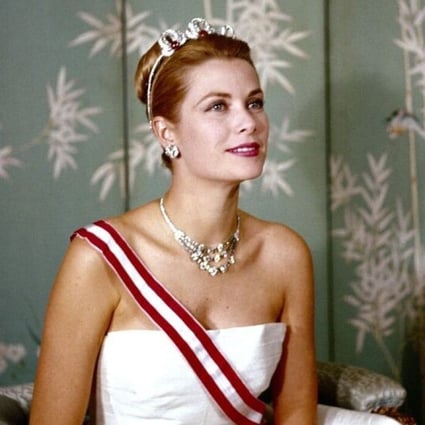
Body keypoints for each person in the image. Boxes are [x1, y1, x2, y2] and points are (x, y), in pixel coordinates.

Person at [29, 17, 317, 425]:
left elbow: (297, 414)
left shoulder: (284, 255)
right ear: (166, 133)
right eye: (218, 106)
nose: (248, 122)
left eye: (254, 102)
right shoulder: (98, 258)